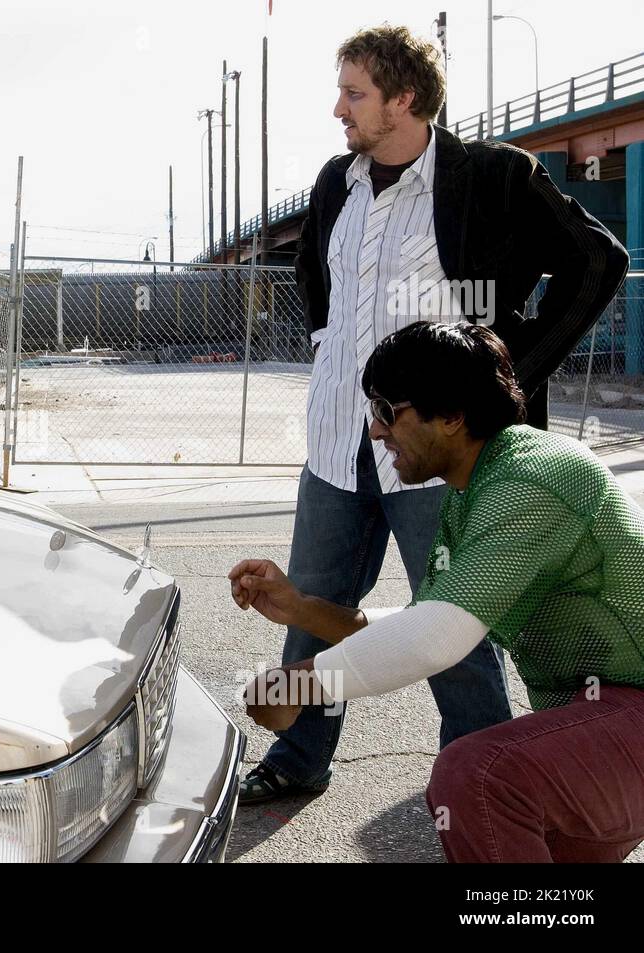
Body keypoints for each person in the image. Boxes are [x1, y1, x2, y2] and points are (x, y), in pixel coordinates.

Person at [241, 25, 630, 803]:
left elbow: (598, 259)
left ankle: (483, 775)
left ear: (403, 98)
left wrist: (511, 369)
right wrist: (326, 341)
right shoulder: (334, 182)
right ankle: (299, 755)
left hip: (438, 447)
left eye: (354, 93)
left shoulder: (491, 176)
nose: (338, 108)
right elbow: (315, 269)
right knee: (315, 604)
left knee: (450, 626)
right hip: (335, 441)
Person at [232, 321, 644, 862]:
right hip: (598, 719)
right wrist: (299, 607)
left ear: (451, 415)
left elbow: (431, 640)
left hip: (624, 714)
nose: (375, 432)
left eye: (385, 410)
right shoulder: (474, 490)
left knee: (478, 777)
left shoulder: (532, 478)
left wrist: (299, 685)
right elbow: (420, 627)